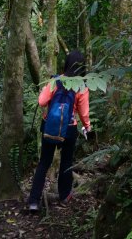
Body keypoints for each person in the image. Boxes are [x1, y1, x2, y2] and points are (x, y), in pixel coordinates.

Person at [28, 50, 91, 211]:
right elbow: (84, 113)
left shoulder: (55, 81)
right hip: (69, 130)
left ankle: (33, 201)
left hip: (49, 126)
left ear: (66, 63)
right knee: (66, 162)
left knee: (44, 163)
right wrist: (88, 127)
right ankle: (64, 196)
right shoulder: (82, 87)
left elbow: (42, 102)